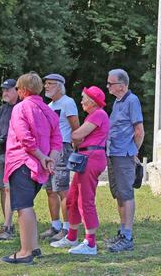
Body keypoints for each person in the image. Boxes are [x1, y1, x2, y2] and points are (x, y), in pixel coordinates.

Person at [1, 72, 61, 265]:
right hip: (40, 166)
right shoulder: (49, 110)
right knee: (28, 206)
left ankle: (25, 252)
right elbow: (57, 141)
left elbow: (24, 137)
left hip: (22, 163)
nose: (16, 91)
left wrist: (42, 157)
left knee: (23, 207)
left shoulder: (20, 107)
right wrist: (50, 160)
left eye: (17, 88)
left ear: (24, 90)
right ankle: (34, 247)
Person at [50, 86, 110, 255]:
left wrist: (78, 136)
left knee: (85, 200)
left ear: (92, 101)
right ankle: (71, 236)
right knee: (72, 198)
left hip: (91, 158)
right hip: (85, 158)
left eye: (84, 98)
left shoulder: (98, 114)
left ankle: (90, 244)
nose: (81, 101)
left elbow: (76, 136)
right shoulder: (92, 115)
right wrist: (79, 136)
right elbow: (77, 136)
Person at [105, 69, 144, 253]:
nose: (108, 86)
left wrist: (133, 152)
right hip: (113, 153)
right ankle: (122, 232)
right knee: (119, 194)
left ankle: (127, 236)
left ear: (121, 86)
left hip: (124, 155)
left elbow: (139, 131)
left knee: (126, 193)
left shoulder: (132, 100)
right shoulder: (117, 102)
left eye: (110, 83)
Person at [39, 73, 79, 241]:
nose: (46, 86)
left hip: (62, 148)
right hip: (50, 149)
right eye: (45, 83)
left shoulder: (68, 103)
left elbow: (75, 127)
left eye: (50, 84)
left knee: (62, 189)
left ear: (60, 86)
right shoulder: (49, 105)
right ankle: (55, 225)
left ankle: (67, 227)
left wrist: (75, 147)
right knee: (50, 189)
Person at [0, 78, 19, 241]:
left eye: (8, 90)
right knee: (3, 188)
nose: (5, 93)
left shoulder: (21, 107)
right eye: (3, 90)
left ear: (17, 90)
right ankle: (7, 221)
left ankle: (7, 226)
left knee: (9, 189)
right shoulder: (2, 108)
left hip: (12, 153)